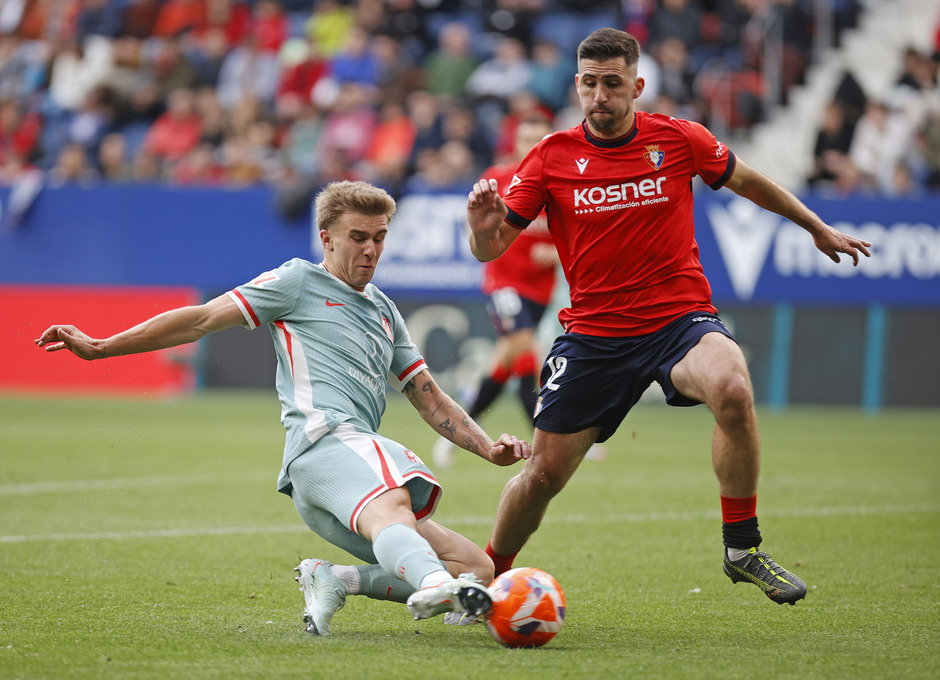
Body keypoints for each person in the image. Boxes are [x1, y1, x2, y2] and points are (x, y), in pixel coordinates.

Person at [466, 28, 872, 606]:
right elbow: (492, 249)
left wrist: (816, 226)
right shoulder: (551, 157)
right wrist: (480, 230)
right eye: (589, 83)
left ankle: (742, 548)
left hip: (678, 321)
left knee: (732, 387)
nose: (600, 95)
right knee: (542, 476)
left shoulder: (679, 139)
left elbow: (750, 181)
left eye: (612, 83)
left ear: (638, 85)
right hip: (595, 338)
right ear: (577, 85)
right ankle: (487, 580)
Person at [36, 180, 531, 635]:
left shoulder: (383, 310)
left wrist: (488, 449)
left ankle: (335, 579)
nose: (371, 249)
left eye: (380, 237)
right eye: (358, 236)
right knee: (399, 509)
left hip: (337, 481)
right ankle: (432, 583)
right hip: (326, 442)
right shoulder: (298, 282)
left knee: (476, 569)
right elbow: (202, 319)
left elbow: (430, 397)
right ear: (327, 238)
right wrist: (102, 348)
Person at [433, 115, 557, 468]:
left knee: (506, 364)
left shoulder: (558, 184)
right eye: (526, 138)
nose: (532, 145)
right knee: (524, 353)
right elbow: (471, 223)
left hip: (540, 290)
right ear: (514, 144)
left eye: (539, 139)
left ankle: (458, 432)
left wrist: (557, 252)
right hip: (504, 284)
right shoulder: (499, 179)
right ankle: (548, 440)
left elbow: (576, 234)